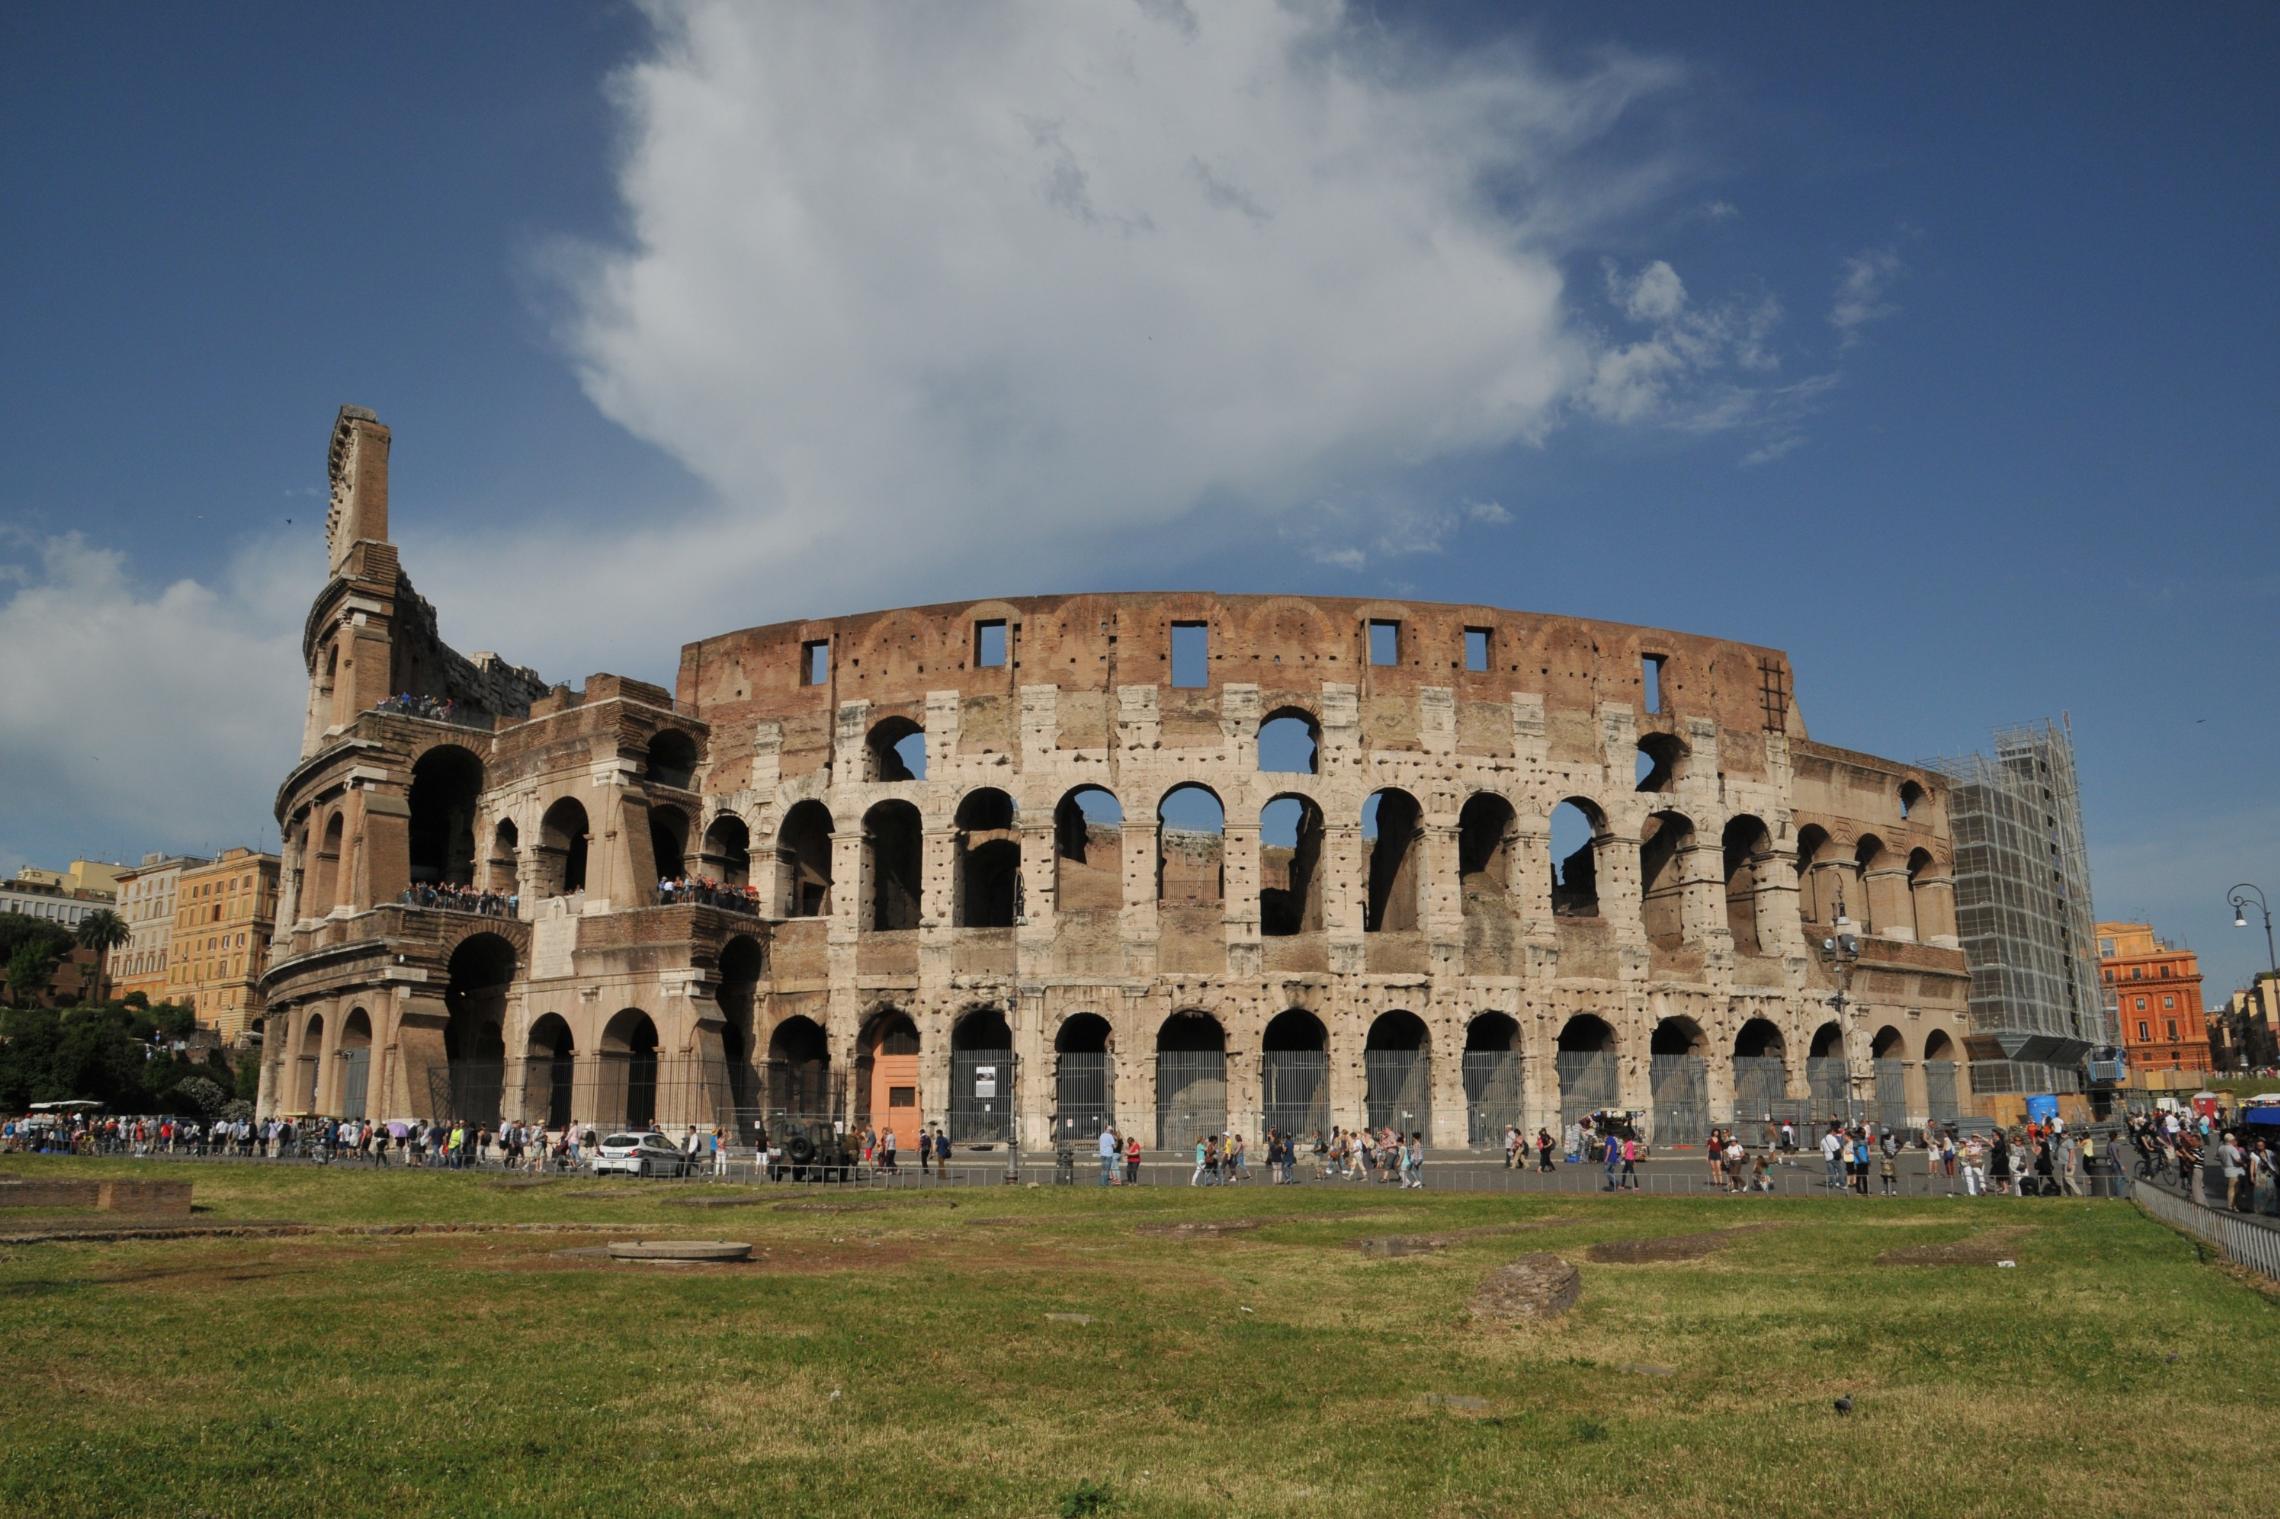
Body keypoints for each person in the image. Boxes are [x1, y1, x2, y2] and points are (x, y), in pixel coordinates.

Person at [1098, 1122, 1119, 1187]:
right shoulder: (1110, 1136)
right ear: (1110, 1130)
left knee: (1103, 1170)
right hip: (1108, 1155)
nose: (1111, 1132)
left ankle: (1101, 1183)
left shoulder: (1101, 1135)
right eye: (1111, 1130)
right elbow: (1114, 1147)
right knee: (1107, 1170)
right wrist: (1117, 1141)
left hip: (1102, 1154)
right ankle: (1105, 1184)